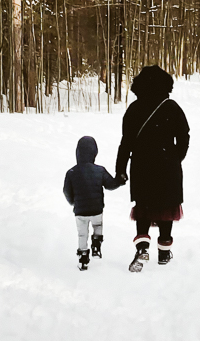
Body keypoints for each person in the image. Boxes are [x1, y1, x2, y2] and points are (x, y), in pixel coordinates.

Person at [115, 65, 190, 271]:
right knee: (167, 207)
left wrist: (120, 169)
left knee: (144, 207)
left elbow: (126, 142)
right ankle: (164, 252)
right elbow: (184, 136)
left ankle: (142, 249)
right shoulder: (172, 108)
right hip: (168, 166)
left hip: (141, 166)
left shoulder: (134, 109)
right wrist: (176, 157)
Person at [63, 136, 123, 270]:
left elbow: (67, 191)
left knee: (82, 233)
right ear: (94, 153)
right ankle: (96, 245)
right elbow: (110, 184)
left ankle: (83, 257)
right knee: (97, 225)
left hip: (80, 211)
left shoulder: (71, 172)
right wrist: (120, 180)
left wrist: (73, 202)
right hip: (96, 208)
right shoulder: (99, 170)